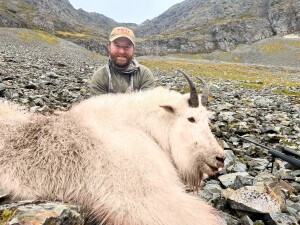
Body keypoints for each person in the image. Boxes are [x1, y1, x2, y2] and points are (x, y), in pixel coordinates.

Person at [90, 27, 155, 95]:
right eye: (117, 45)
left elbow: (147, 104)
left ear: (134, 49)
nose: (121, 51)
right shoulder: (100, 77)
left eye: (127, 46)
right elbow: (99, 105)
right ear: (109, 46)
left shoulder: (144, 75)